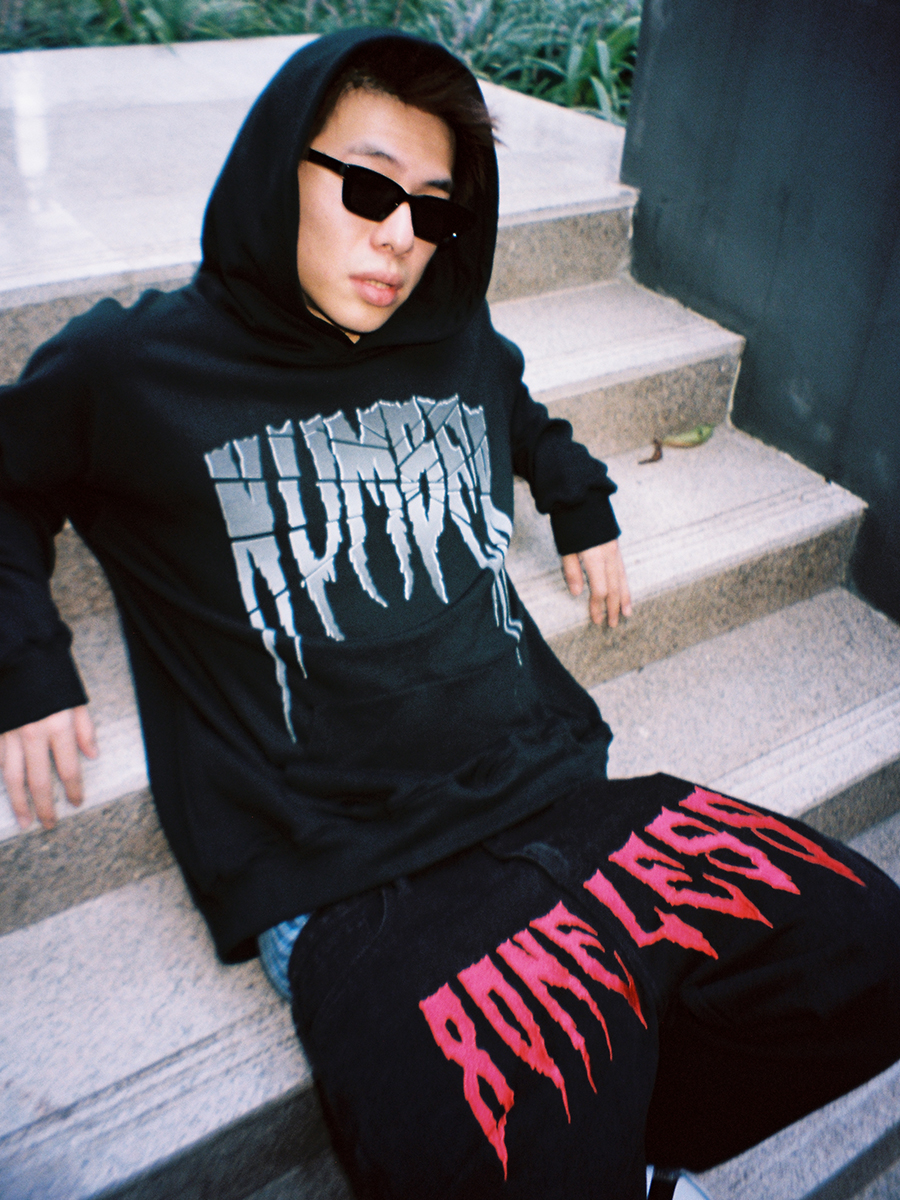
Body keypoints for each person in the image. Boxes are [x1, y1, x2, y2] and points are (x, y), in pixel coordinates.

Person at [1, 29, 899, 1200]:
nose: (400, 237)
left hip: (555, 790)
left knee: (869, 953)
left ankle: (639, 1150)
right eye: (369, 189)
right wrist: (27, 662)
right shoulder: (134, 367)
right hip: (347, 875)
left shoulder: (448, 333)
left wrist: (579, 502)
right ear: (281, 169)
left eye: (432, 208)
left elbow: (519, 410)